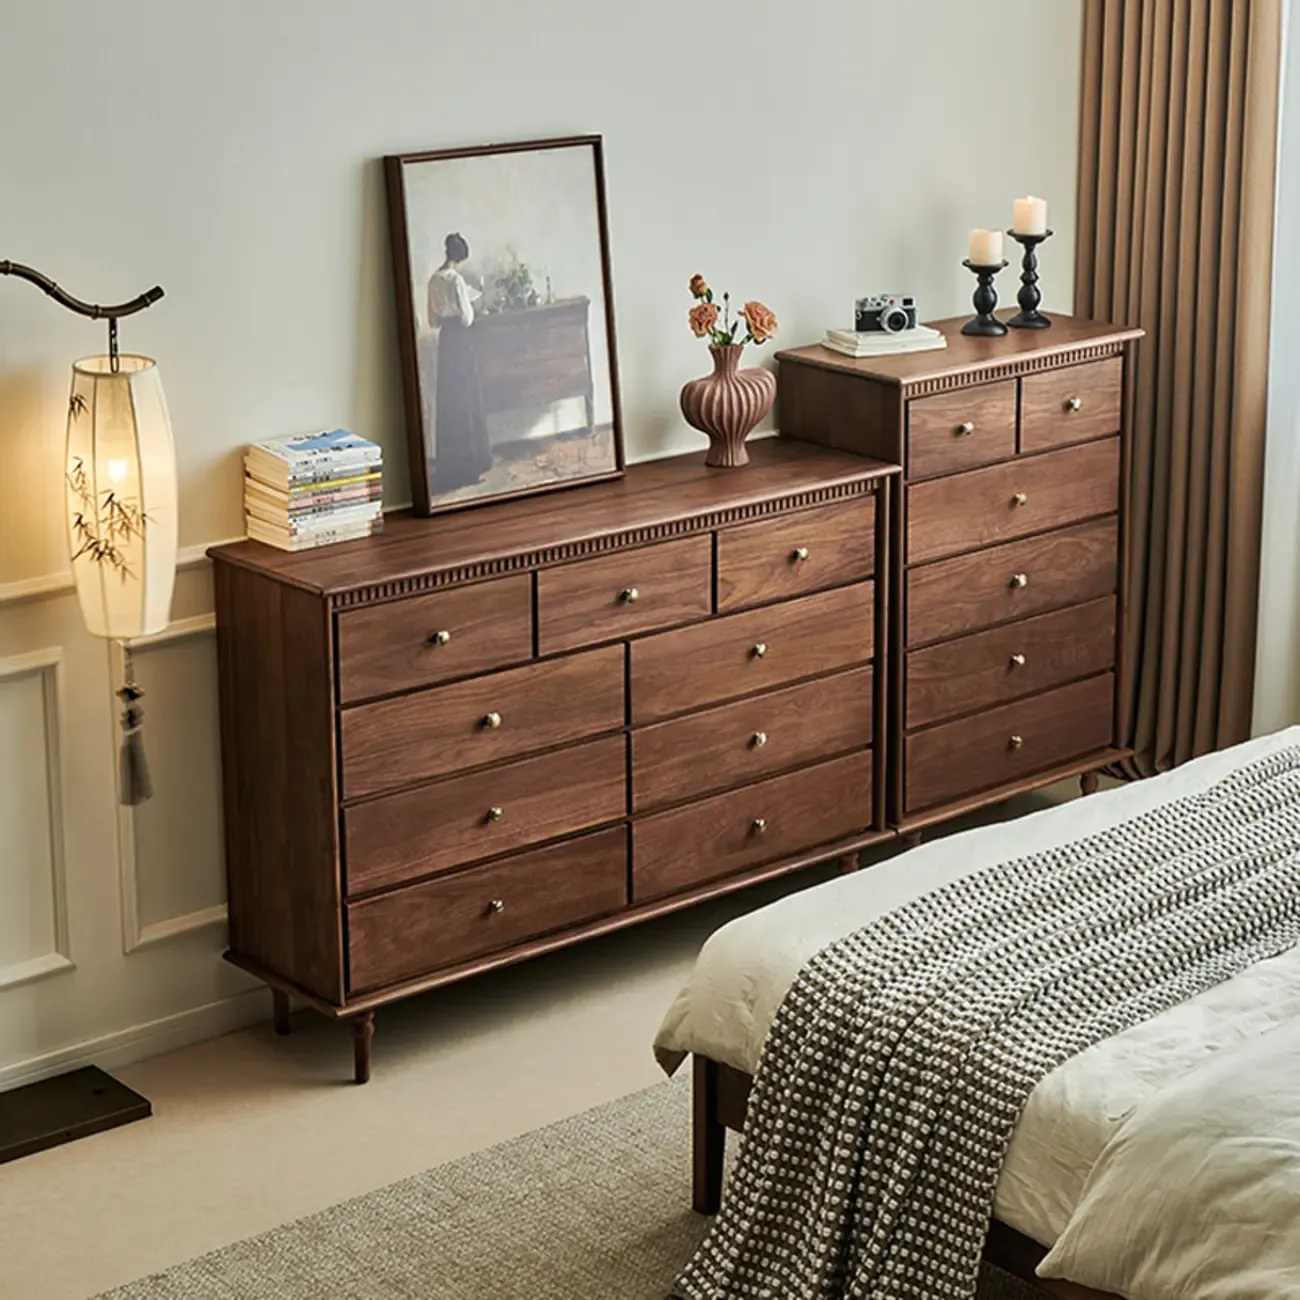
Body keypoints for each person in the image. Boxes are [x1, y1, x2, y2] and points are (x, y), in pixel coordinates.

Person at [427, 232, 491, 491]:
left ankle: (451, 466)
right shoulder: (456, 280)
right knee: (466, 398)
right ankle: (471, 467)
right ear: (460, 256)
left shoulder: (433, 280)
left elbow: (431, 321)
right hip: (461, 339)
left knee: (450, 400)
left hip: (446, 342)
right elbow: (467, 317)